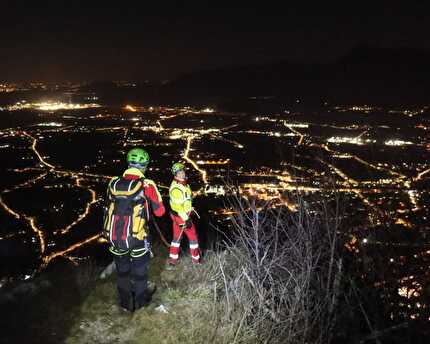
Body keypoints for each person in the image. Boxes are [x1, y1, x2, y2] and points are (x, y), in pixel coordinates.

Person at [103, 148, 165, 312]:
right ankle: (141, 305)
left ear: (129, 164)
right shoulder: (147, 184)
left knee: (122, 272)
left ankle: (125, 304)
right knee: (140, 273)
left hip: (115, 237)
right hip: (137, 237)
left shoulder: (113, 183)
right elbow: (160, 212)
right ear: (144, 165)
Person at [167, 162, 200, 267]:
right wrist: (186, 219)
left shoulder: (184, 184)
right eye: (179, 172)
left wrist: (190, 208)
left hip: (178, 216)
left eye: (182, 171)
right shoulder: (176, 188)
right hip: (181, 217)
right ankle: (196, 261)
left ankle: (172, 260)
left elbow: (185, 200)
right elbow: (177, 207)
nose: (182, 174)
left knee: (177, 238)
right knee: (193, 237)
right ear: (175, 174)